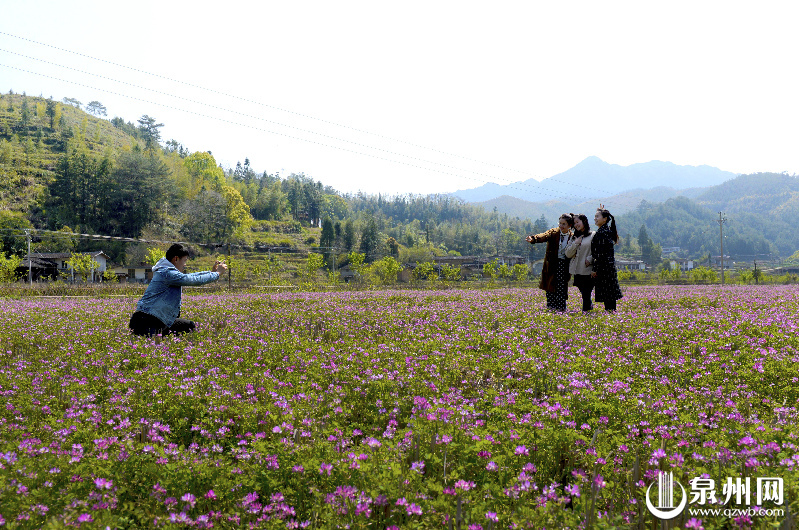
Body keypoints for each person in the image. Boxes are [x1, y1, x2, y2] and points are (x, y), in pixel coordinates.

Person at [129, 243, 227, 336]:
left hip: (159, 320)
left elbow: (189, 276)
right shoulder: (166, 272)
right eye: (184, 260)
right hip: (146, 321)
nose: (185, 265)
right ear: (176, 259)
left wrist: (211, 273)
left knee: (188, 326)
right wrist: (217, 274)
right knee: (153, 347)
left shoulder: (167, 271)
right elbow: (190, 279)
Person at [526, 214, 574, 311]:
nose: (561, 226)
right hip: (552, 264)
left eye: (564, 224)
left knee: (561, 287)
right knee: (550, 286)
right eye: (560, 223)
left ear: (569, 225)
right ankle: (551, 308)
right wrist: (534, 239)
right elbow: (544, 236)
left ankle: (561, 309)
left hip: (564, 265)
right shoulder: (554, 232)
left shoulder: (572, 236)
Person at [590, 207, 623, 312]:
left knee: (608, 297)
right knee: (610, 297)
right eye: (595, 216)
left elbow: (600, 254)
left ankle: (611, 316)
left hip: (604, 268)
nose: (595, 218)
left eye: (597, 216)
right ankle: (611, 315)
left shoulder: (601, 233)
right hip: (608, 267)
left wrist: (595, 269)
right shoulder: (606, 230)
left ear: (604, 219)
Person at [564, 213, 594, 312]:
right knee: (584, 293)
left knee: (586, 293)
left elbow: (598, 251)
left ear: (584, 221)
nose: (576, 225)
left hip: (588, 270)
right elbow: (568, 254)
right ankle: (588, 311)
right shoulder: (573, 238)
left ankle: (586, 313)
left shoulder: (593, 235)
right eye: (574, 223)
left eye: (578, 222)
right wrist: (575, 244)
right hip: (577, 270)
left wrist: (590, 259)